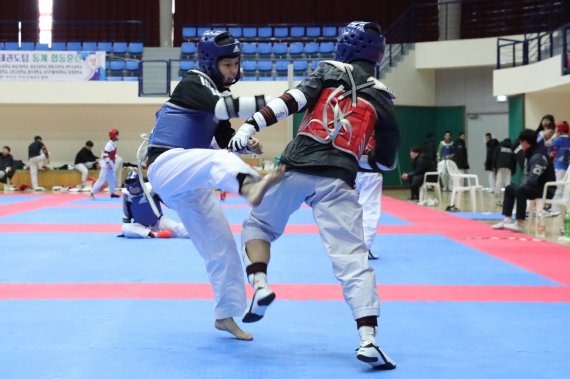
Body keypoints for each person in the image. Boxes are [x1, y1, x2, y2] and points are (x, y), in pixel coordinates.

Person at [228, 21, 398, 369]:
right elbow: (385, 162)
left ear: (345, 47)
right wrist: (349, 158)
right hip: (338, 181)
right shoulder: (383, 98)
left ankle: (259, 283)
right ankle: (368, 340)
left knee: (257, 225)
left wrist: (249, 126)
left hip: (294, 167)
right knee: (353, 260)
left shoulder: (329, 71)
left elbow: (291, 101)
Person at [146, 30, 281, 341]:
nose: (233, 71)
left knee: (222, 250)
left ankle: (225, 315)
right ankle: (251, 187)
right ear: (210, 63)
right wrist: (277, 102)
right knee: (217, 161)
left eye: (236, 64)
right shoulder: (194, 82)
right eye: (227, 65)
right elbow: (223, 110)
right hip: (166, 164)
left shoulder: (216, 94)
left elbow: (224, 138)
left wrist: (247, 145)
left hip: (191, 183)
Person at [492, 129, 555, 232]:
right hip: (537, 186)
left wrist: (522, 186)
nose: (520, 145)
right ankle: (507, 219)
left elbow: (533, 179)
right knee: (509, 188)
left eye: (521, 143)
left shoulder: (538, 156)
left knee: (521, 190)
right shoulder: (530, 154)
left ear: (525, 142)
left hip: (546, 189)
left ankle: (519, 223)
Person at [121, 171, 189, 239]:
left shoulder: (151, 190)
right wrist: (128, 231)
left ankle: (196, 232)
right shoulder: (127, 196)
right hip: (141, 226)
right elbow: (126, 215)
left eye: (135, 188)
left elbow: (167, 202)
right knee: (125, 228)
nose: (133, 190)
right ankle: (154, 234)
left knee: (179, 228)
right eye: (131, 189)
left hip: (159, 222)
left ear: (140, 184)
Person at [355, 138, 382, 260]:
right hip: (371, 170)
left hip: (352, 168)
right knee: (369, 209)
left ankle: (345, 245)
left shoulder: (348, 118)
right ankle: (364, 248)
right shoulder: (378, 120)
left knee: (348, 207)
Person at [544, 121, 570, 216]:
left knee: (557, 188)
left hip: (558, 167)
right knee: (565, 189)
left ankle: (555, 209)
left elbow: (547, 144)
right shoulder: (569, 140)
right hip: (567, 168)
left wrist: (554, 135)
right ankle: (561, 210)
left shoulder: (558, 140)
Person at [90, 129, 121, 199]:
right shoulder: (109, 144)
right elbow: (105, 155)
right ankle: (92, 193)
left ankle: (112, 193)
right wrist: (109, 164)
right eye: (116, 135)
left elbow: (110, 154)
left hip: (110, 165)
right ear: (113, 136)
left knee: (112, 179)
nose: (117, 136)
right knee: (101, 180)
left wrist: (114, 158)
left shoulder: (113, 144)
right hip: (106, 165)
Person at [492, 138, 516, 205]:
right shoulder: (511, 148)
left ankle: (497, 199)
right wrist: (513, 170)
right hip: (509, 167)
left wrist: (494, 166)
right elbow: (514, 159)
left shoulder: (499, 146)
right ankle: (506, 200)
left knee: (498, 181)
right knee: (507, 183)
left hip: (500, 166)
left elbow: (494, 157)